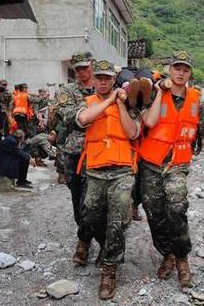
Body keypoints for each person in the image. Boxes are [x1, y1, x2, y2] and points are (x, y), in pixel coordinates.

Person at [138, 51, 204, 288]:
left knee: (177, 207)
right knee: (154, 212)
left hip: (178, 163)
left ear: (190, 73)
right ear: (170, 70)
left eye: (185, 69)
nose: (181, 73)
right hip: (151, 163)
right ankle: (168, 253)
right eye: (177, 68)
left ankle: (182, 259)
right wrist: (160, 90)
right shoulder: (156, 92)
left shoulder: (198, 100)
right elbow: (148, 122)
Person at [75, 60, 140, 299]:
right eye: (99, 78)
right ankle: (99, 245)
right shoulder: (87, 103)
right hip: (95, 170)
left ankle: (109, 270)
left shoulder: (127, 103)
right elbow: (82, 120)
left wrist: (120, 104)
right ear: (94, 80)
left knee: (118, 220)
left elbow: (133, 132)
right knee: (91, 215)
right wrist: (109, 101)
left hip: (122, 171)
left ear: (114, 80)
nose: (103, 82)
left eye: (107, 78)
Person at [53, 51, 96, 265]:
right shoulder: (67, 91)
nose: (81, 71)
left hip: (100, 150)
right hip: (74, 153)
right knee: (78, 198)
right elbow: (69, 116)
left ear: (92, 66)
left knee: (94, 201)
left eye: (85, 67)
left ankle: (86, 242)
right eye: (77, 68)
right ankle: (85, 237)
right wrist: (95, 108)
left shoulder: (104, 86)